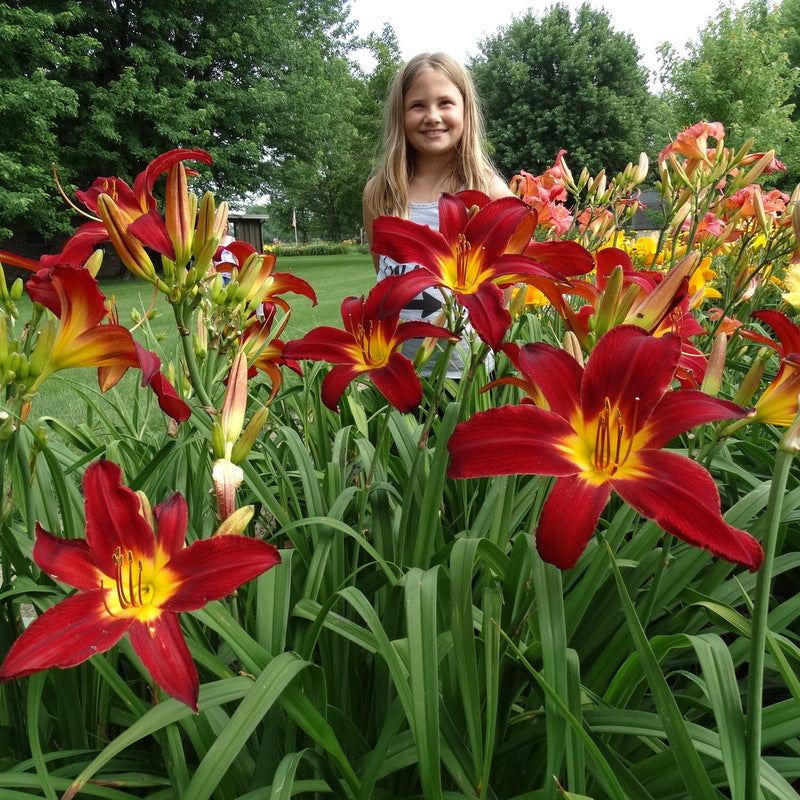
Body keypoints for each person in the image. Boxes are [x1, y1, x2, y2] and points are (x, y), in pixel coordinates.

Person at [362, 52, 514, 376]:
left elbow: (510, 287)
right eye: (417, 105)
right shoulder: (380, 192)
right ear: (400, 115)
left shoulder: (491, 193)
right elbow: (385, 274)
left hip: (464, 375)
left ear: (465, 110)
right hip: (393, 369)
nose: (432, 116)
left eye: (445, 103)